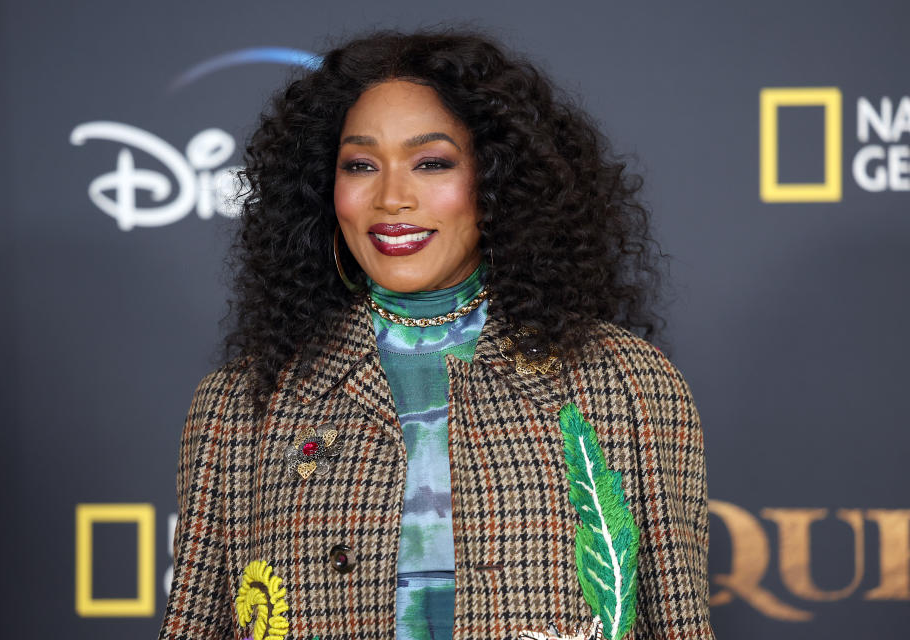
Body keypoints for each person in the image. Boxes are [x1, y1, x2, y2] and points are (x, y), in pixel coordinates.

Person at [159, 28, 715, 640]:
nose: (392, 197)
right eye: (361, 165)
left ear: (497, 182)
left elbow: (680, 626)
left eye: (432, 163)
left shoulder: (626, 385)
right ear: (325, 191)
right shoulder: (242, 407)